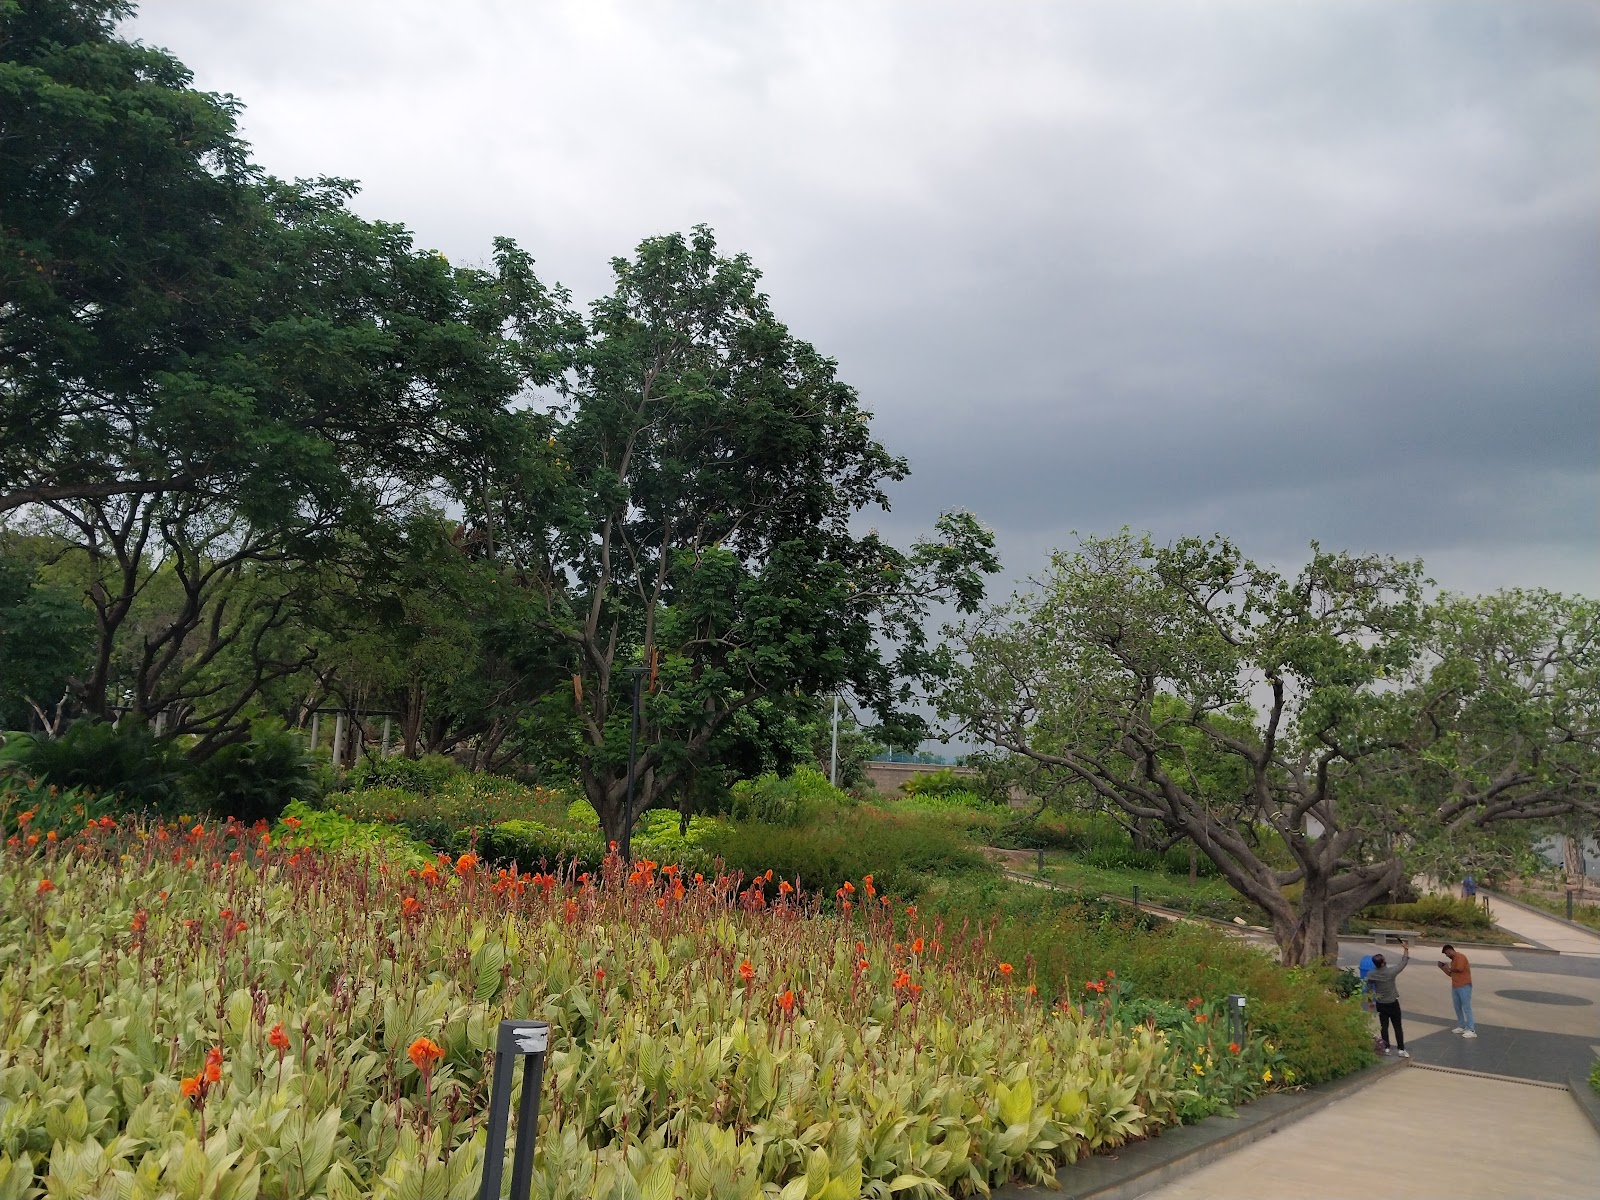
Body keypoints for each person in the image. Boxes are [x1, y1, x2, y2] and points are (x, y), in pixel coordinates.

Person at [1366, 943, 1411, 1058]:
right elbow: (1403, 963)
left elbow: (1369, 989)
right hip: (1392, 1003)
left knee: (1384, 1026)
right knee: (1397, 1027)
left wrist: (1370, 1001)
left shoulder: (1371, 974)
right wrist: (1406, 949)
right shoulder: (1390, 972)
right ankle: (1401, 1049)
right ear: (1383, 963)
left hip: (1381, 1003)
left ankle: (1386, 1048)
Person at [1439, 944, 1477, 1038]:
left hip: (1464, 986)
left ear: (1450, 950)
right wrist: (1443, 968)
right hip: (1455, 986)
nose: (1447, 955)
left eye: (1447, 953)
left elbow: (1459, 969)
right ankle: (1461, 1025)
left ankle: (1471, 1029)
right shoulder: (1453, 961)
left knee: (1466, 1007)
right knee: (1457, 1007)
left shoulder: (1460, 957)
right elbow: (1451, 974)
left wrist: (1449, 968)